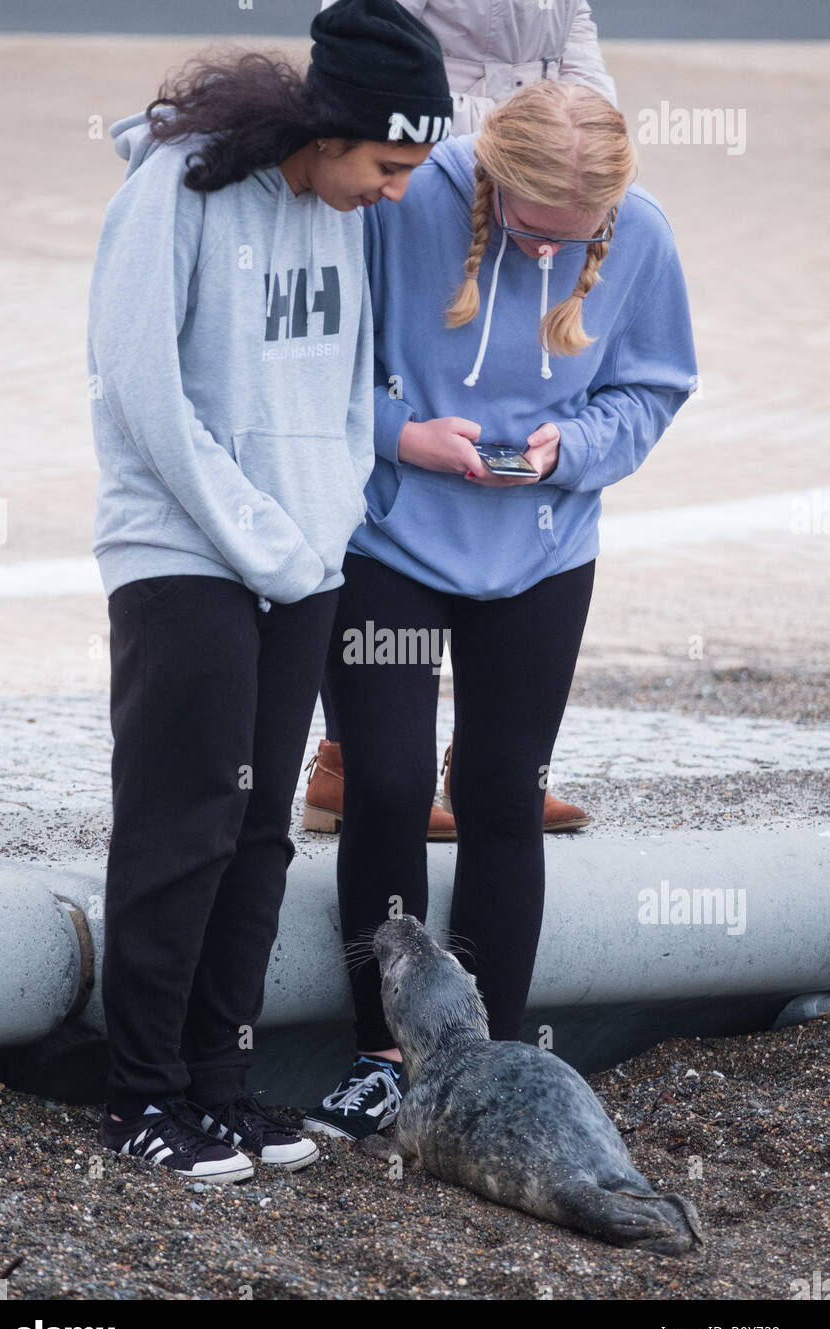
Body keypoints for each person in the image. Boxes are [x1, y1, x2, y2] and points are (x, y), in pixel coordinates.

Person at [87, 0, 453, 1185]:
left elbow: (351, 390)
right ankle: (139, 1096)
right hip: (183, 554)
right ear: (335, 127)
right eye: (389, 165)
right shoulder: (174, 191)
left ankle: (215, 1084)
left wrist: (325, 525)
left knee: (256, 836)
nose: (396, 192)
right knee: (178, 828)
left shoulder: (337, 211)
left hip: (300, 560)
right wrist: (263, 538)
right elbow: (144, 393)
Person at [303, 80, 697, 1140]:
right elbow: (329, 367)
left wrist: (576, 448)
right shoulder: (402, 203)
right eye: (529, 229)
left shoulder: (641, 233)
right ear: (489, 182)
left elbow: (653, 386)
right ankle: (382, 1056)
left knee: (499, 788)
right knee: (382, 781)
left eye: (571, 240)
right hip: (389, 536)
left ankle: (485, 1064)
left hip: (541, 545)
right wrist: (406, 436)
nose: (542, 254)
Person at [307, 0, 617, 837]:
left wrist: (587, 131)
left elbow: (570, 20)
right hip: (440, 153)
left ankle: (483, 769)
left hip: (543, 158)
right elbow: (364, 26)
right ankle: (352, 760)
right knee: (394, 475)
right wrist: (475, 156)